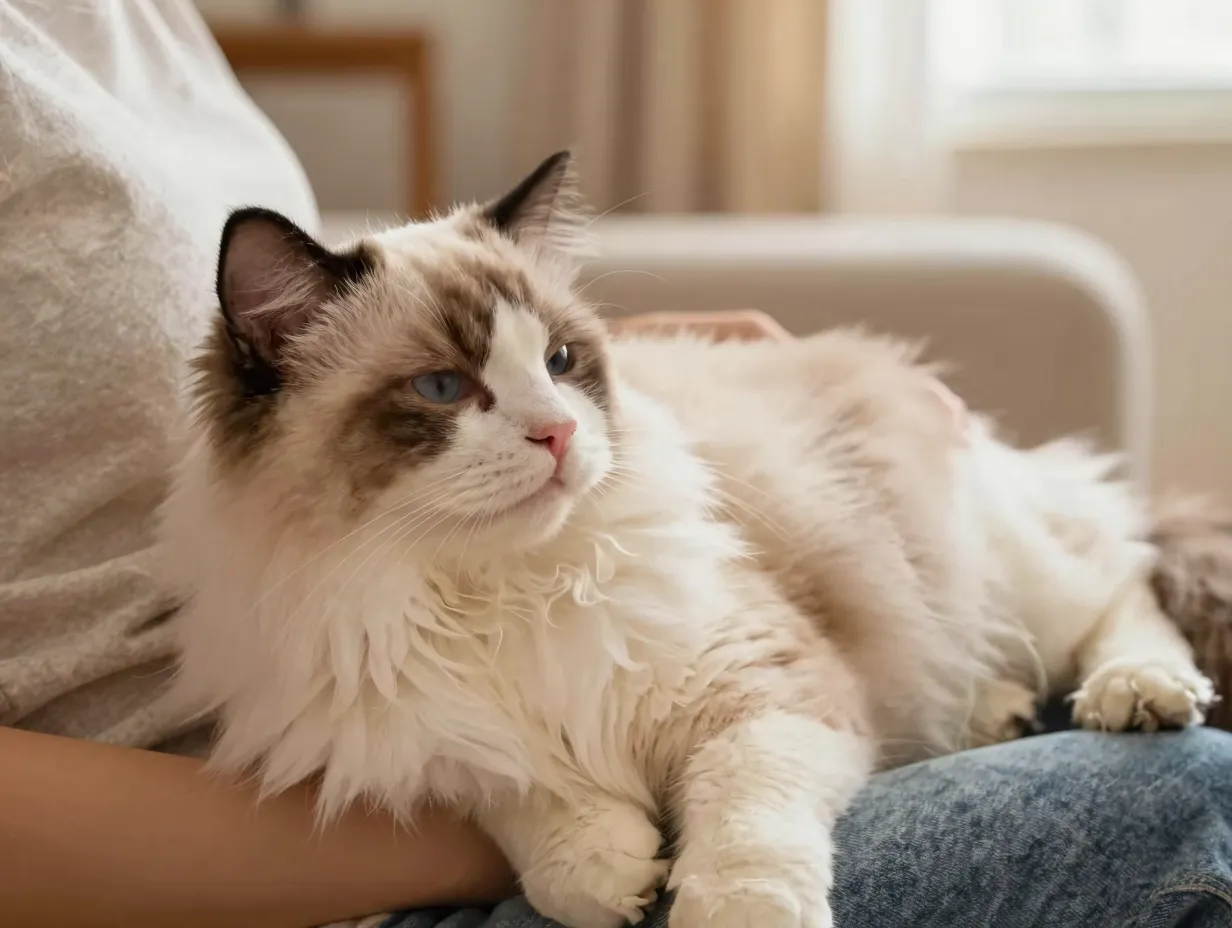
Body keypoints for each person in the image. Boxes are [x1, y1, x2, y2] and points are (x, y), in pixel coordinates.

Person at [0, 2, 1228, 926]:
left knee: (1067, 612)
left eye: (560, 380)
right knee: (1195, 793)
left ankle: (1119, 617)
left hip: (605, 684)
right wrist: (515, 814)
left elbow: (764, 680)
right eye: (443, 395)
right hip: (297, 866)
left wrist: (581, 363)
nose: (550, 430)